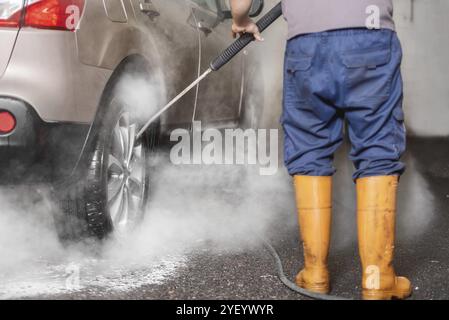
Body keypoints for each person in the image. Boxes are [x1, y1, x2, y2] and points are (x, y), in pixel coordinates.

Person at [230, 0, 411, 300]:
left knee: (309, 147)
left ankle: (314, 273)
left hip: (306, 43)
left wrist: (241, 18)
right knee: (378, 147)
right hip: (370, 34)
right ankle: (378, 279)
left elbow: (241, 3)